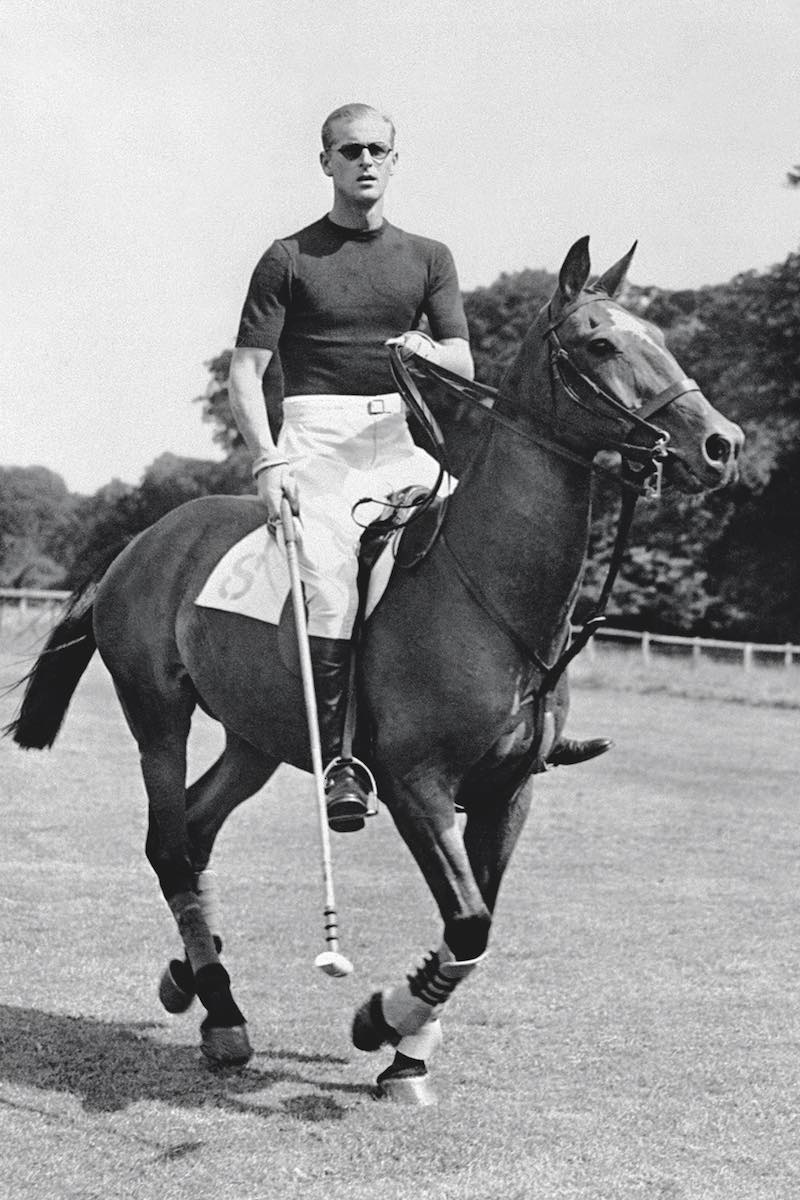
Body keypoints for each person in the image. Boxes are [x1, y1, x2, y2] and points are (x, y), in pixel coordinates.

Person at [228, 103, 609, 833]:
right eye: (350, 150)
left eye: (378, 150)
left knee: (499, 546)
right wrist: (266, 459)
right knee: (332, 583)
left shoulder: (428, 256)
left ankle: (537, 722)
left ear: (395, 162)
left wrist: (423, 349)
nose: (365, 161)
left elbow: (460, 356)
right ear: (326, 163)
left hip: (398, 440)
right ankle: (345, 760)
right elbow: (246, 372)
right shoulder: (288, 256)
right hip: (314, 442)